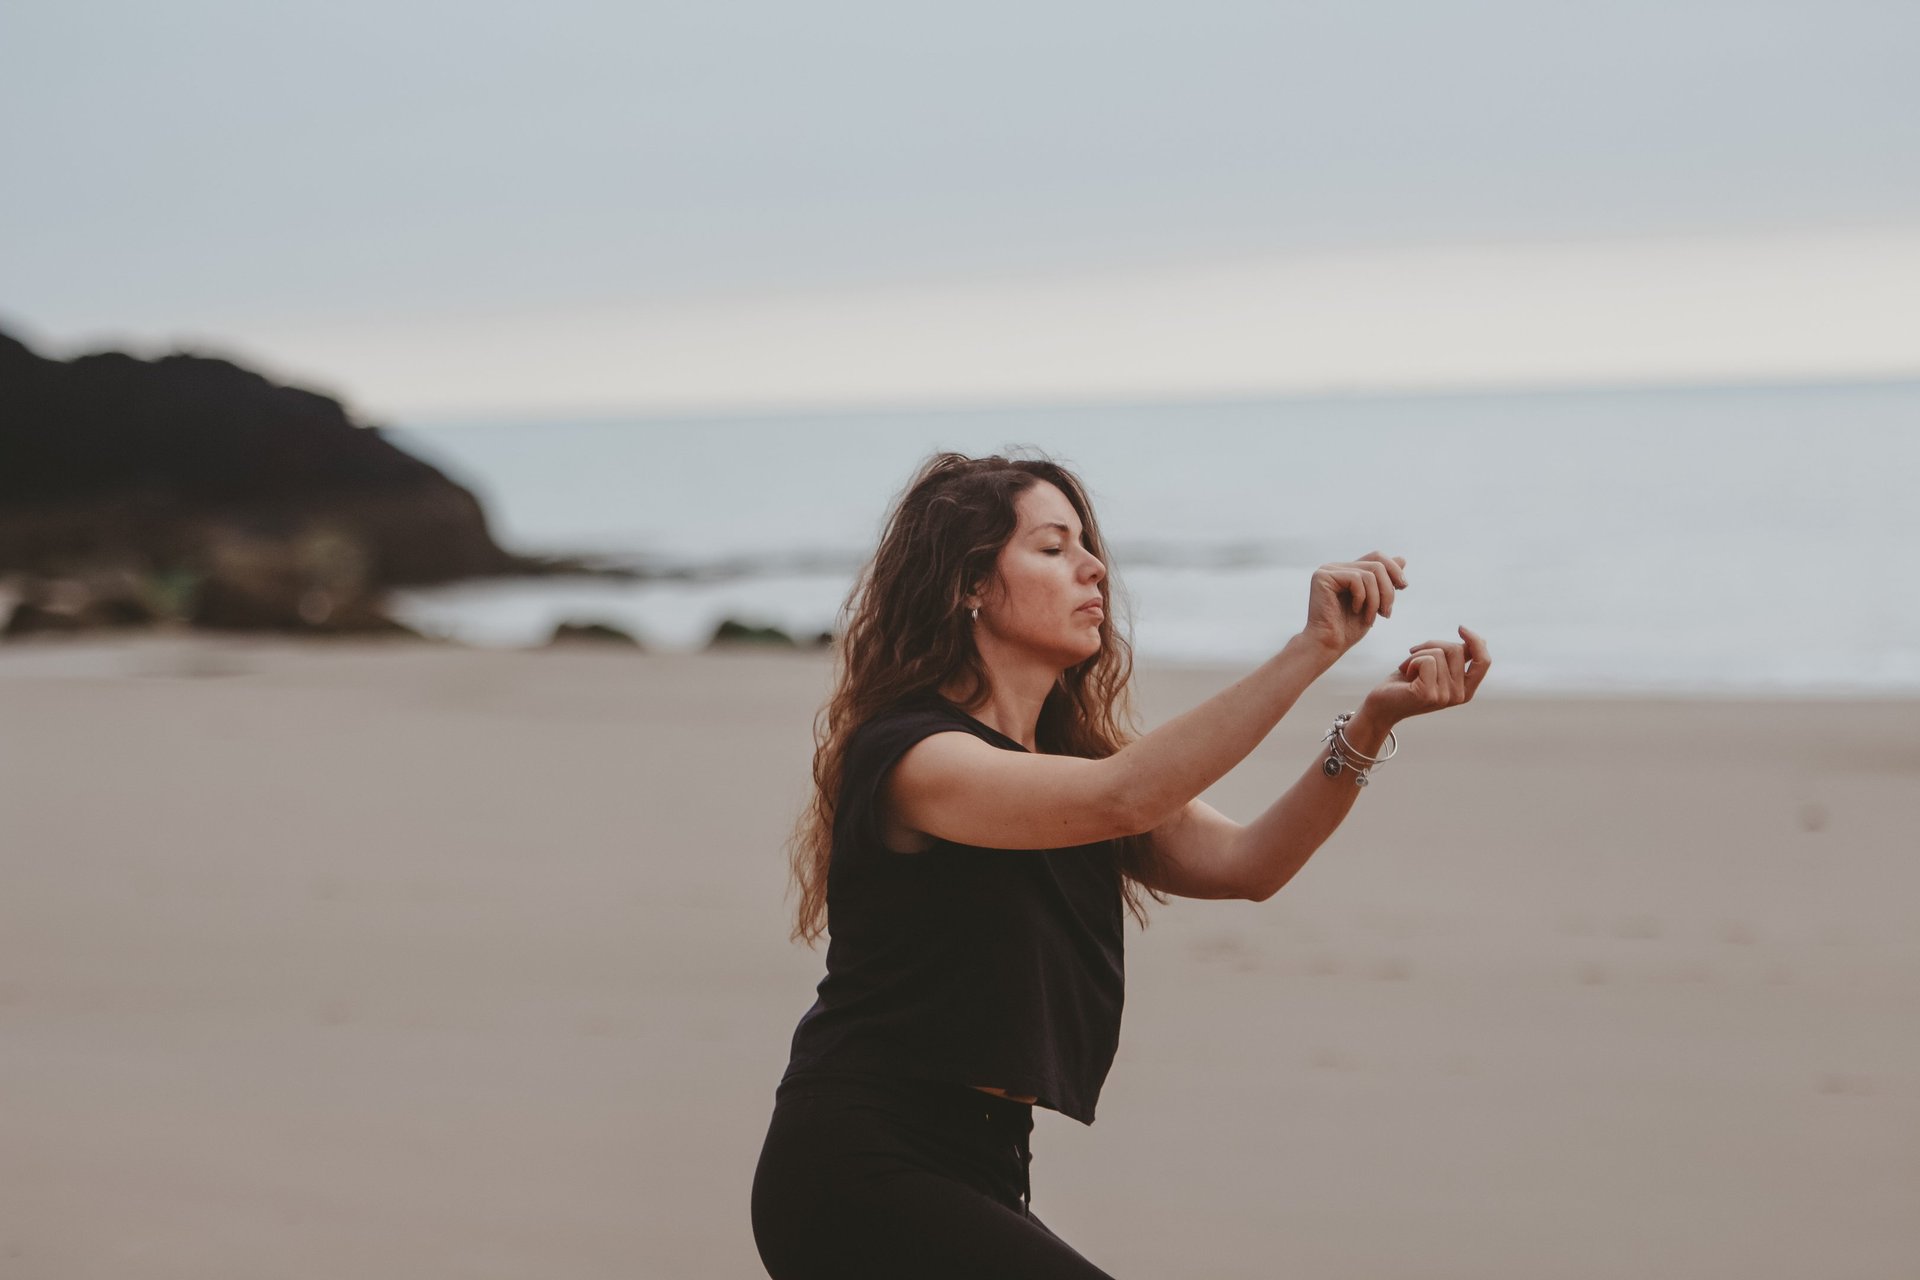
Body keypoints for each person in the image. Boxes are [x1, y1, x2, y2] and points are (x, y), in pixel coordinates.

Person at [750, 450, 1489, 1278]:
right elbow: (1122, 797)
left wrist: (1371, 724)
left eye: (1086, 545)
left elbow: (1250, 863)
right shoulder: (917, 758)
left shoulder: (1069, 763)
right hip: (860, 1164)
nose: (1093, 566)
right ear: (970, 585)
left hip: (984, 1169)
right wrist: (1313, 646)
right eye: (1053, 548)